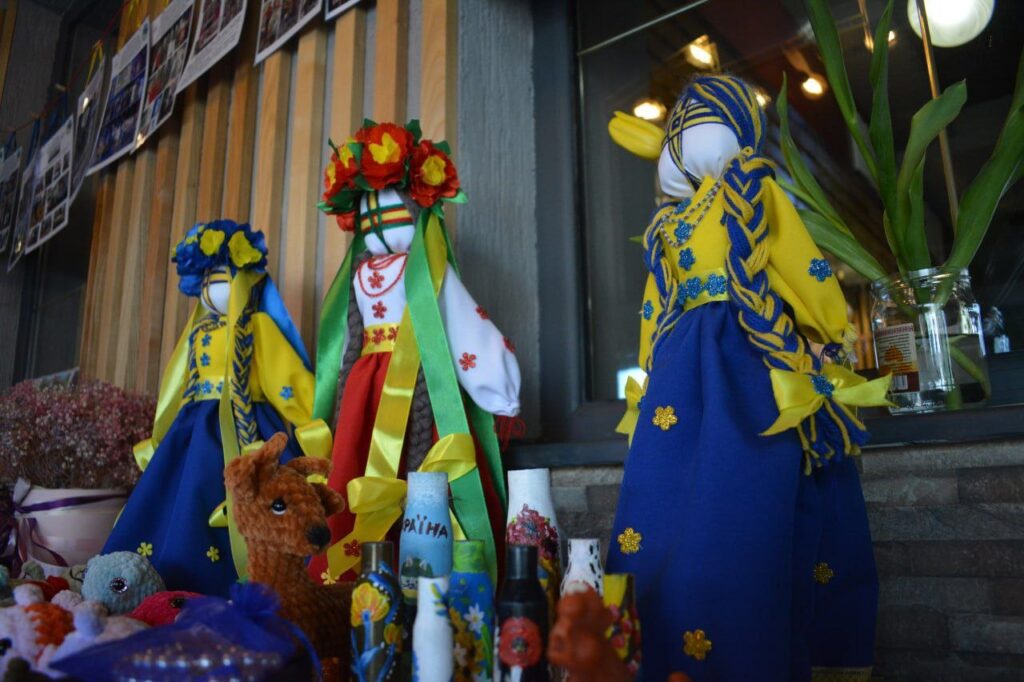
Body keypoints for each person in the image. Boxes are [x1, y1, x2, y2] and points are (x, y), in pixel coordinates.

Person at [605, 75, 890, 681]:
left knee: (743, 496)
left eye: (691, 125)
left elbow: (801, 263)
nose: (677, 141)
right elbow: (656, 302)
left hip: (746, 356)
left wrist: (825, 331)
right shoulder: (670, 223)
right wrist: (650, 366)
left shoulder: (755, 194)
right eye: (676, 130)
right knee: (667, 495)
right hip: (679, 370)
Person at [308, 121, 520, 584]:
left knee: (428, 471)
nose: (382, 227)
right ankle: (352, 581)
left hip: (424, 379)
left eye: (393, 214)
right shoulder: (357, 276)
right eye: (373, 218)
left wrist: (497, 386)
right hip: (364, 387)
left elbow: (461, 320)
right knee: (356, 465)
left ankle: (430, 578)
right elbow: (342, 341)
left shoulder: (428, 271)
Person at [102, 220, 332, 596]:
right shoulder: (198, 332)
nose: (211, 290)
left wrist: (312, 426)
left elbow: (286, 379)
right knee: (182, 494)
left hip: (247, 425)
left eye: (222, 279)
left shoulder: (258, 327)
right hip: (193, 428)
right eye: (206, 281)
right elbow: (176, 384)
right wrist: (161, 434)